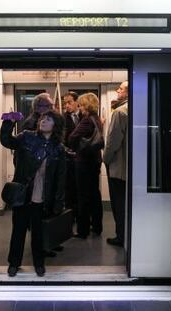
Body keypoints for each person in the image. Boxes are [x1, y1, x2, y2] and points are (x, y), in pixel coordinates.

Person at [0, 110, 66, 278]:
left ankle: (39, 264)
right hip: (23, 194)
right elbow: (7, 141)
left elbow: (60, 178)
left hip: (42, 197)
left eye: (49, 119)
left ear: (55, 125)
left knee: (38, 233)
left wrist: (58, 202)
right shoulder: (27, 137)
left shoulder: (58, 148)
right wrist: (8, 123)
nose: (44, 120)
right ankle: (14, 263)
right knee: (18, 231)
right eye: (43, 118)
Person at [68, 93, 104, 239]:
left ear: (87, 106)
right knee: (95, 194)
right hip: (95, 160)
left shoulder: (87, 120)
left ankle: (83, 230)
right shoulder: (97, 119)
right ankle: (97, 226)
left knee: (82, 195)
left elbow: (72, 137)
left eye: (82, 105)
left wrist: (75, 148)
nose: (81, 108)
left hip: (84, 161)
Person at [103, 81, 128, 247]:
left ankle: (121, 236)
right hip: (132, 167)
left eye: (121, 88)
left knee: (118, 204)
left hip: (119, 166)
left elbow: (113, 141)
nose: (118, 90)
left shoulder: (120, 112)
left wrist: (105, 158)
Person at [63, 92, 82, 219]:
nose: (67, 105)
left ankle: (82, 216)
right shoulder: (63, 118)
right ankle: (71, 217)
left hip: (82, 158)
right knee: (69, 189)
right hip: (69, 158)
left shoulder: (85, 116)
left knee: (81, 189)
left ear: (77, 102)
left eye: (69, 102)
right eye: (65, 103)